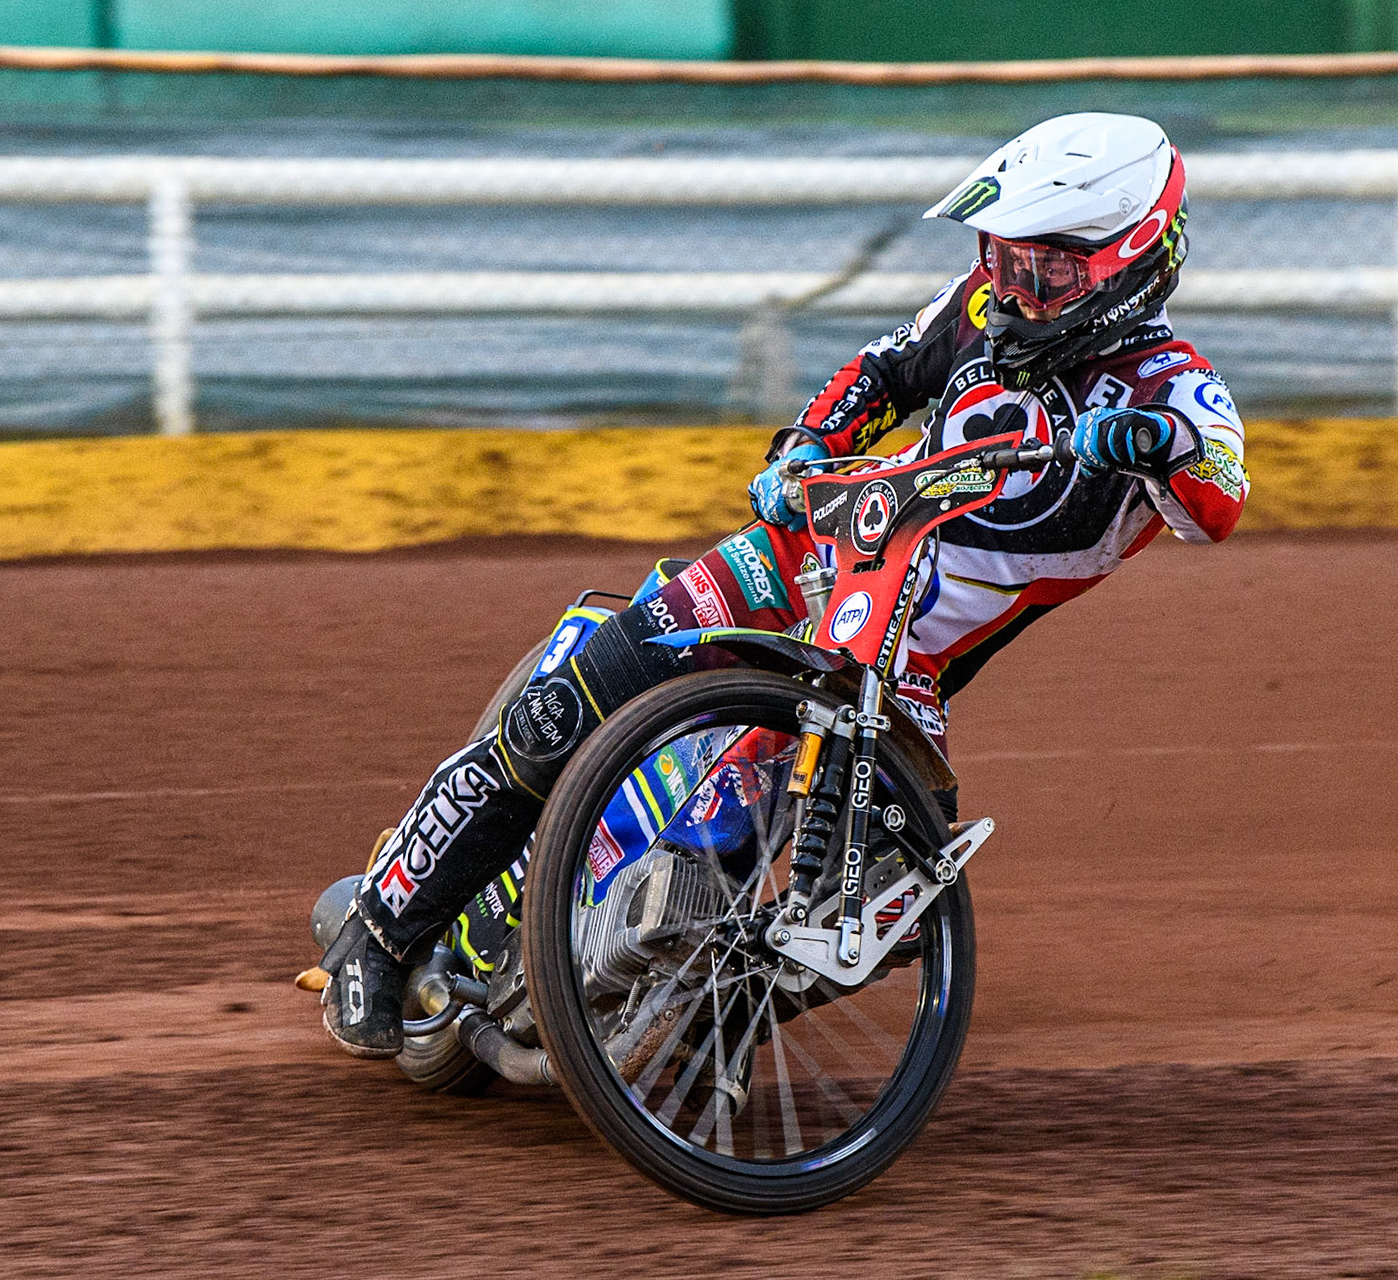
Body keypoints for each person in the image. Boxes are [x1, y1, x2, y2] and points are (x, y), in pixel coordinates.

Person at [318, 111, 1249, 1057]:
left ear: (1136, 263)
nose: (1012, 290)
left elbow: (1217, 496)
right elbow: (882, 372)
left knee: (893, 896)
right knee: (563, 708)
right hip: (806, 552)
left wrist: (1153, 442)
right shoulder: (978, 306)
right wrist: (805, 443)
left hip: (900, 666)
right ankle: (380, 931)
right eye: (1001, 258)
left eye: (1045, 271)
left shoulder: (1174, 386)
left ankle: (697, 1032)